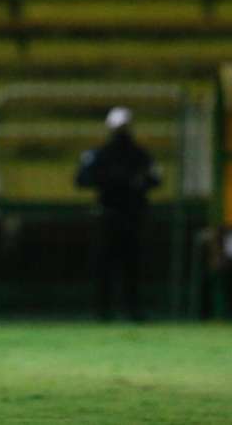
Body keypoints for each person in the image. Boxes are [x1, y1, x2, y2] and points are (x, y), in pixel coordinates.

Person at [75, 107, 161, 321]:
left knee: (130, 265)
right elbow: (82, 179)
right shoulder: (109, 154)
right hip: (113, 215)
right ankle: (105, 310)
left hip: (128, 215)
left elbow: (154, 179)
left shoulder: (136, 155)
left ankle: (128, 309)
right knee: (109, 264)